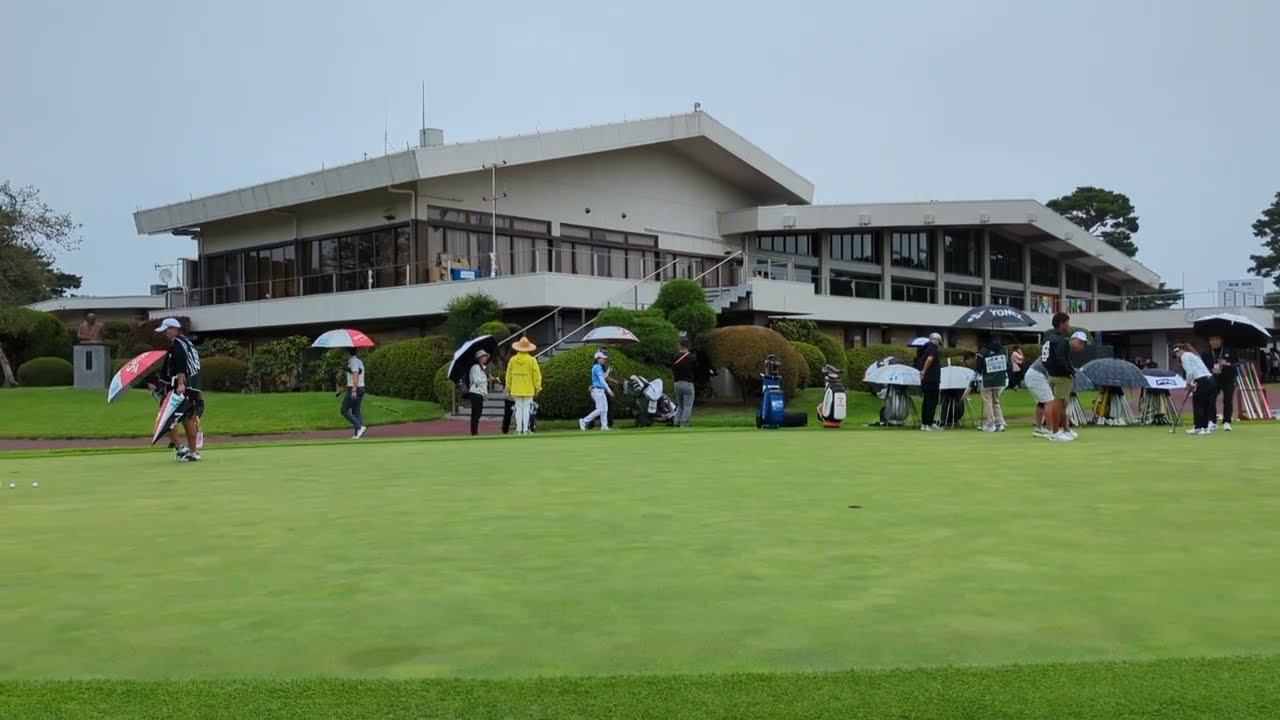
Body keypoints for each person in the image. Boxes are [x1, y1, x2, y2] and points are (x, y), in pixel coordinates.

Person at [154, 318, 202, 461]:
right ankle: (192, 451)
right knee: (187, 418)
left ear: (174, 329)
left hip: (177, 388)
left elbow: (181, 365)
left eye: (167, 329)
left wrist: (180, 383)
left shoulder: (178, 345)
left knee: (166, 419)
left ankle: (181, 448)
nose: (165, 333)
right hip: (184, 388)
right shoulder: (182, 343)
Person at [1041, 312, 1076, 442]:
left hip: (1051, 373)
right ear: (1062, 323)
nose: (1069, 325)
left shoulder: (1047, 338)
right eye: (1067, 322)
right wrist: (1071, 371)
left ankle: (1064, 429)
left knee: (1061, 403)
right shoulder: (1062, 340)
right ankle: (1055, 432)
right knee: (1060, 403)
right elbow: (1062, 359)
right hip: (1062, 375)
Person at [1173, 343, 1214, 435]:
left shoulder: (1185, 356)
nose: (1177, 355)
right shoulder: (1192, 355)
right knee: (1204, 405)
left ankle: (1199, 428)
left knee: (1198, 405)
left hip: (1201, 380)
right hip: (1209, 380)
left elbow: (1190, 372)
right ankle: (1205, 427)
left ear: (1181, 350)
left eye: (1177, 352)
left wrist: (1187, 384)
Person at [505, 336, 542, 435]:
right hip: (528, 388)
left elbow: (508, 374)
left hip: (516, 387)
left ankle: (518, 428)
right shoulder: (531, 360)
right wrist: (538, 387)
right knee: (526, 408)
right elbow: (537, 375)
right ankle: (525, 429)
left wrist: (508, 387)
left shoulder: (513, 360)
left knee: (518, 408)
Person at [1202, 335, 1236, 431]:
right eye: (1212, 339)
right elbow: (1202, 366)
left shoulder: (1229, 350)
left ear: (1221, 340)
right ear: (1209, 341)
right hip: (1213, 379)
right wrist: (1211, 369)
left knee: (1228, 401)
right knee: (1210, 400)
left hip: (1228, 379)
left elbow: (1237, 363)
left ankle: (1227, 422)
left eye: (1216, 339)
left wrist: (1227, 364)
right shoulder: (1206, 353)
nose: (1214, 342)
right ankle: (1212, 421)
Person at [976, 336, 1008, 432]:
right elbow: (1007, 364)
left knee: (988, 401)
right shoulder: (1003, 350)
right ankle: (999, 423)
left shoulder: (983, 352)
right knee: (996, 401)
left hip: (987, 380)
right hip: (1000, 380)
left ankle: (990, 423)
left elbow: (978, 367)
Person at [579, 349, 615, 431]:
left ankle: (604, 426)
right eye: (603, 358)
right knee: (600, 409)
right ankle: (584, 421)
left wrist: (608, 371)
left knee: (605, 409)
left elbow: (603, 377)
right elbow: (602, 380)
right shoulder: (597, 367)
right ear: (598, 359)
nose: (604, 360)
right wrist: (609, 390)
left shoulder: (598, 367)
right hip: (597, 391)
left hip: (600, 390)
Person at [465, 349, 497, 436]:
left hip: (479, 393)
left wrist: (484, 393)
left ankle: (474, 432)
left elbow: (482, 384)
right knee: (476, 413)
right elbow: (477, 381)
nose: (485, 358)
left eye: (486, 356)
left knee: (478, 413)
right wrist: (487, 379)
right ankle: (474, 432)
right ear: (479, 358)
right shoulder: (476, 367)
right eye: (483, 356)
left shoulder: (482, 368)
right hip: (475, 392)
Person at [670, 339, 697, 427]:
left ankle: (676, 422)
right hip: (688, 382)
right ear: (688, 346)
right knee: (687, 406)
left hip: (677, 383)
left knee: (680, 405)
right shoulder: (692, 357)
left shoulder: (675, 357)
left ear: (680, 345)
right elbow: (696, 369)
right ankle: (684, 424)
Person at [918, 332, 942, 431]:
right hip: (932, 379)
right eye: (939, 342)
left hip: (926, 380)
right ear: (936, 340)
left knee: (926, 401)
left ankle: (924, 423)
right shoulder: (933, 348)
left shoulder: (925, 348)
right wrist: (924, 370)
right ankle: (929, 423)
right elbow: (930, 359)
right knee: (932, 401)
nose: (939, 344)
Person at [342, 347, 366, 439]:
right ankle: (357, 434)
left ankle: (359, 426)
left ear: (348, 352)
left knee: (344, 410)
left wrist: (354, 390)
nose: (344, 354)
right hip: (361, 388)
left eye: (345, 352)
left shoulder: (352, 361)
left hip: (355, 388)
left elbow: (356, 374)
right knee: (356, 411)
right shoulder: (359, 361)